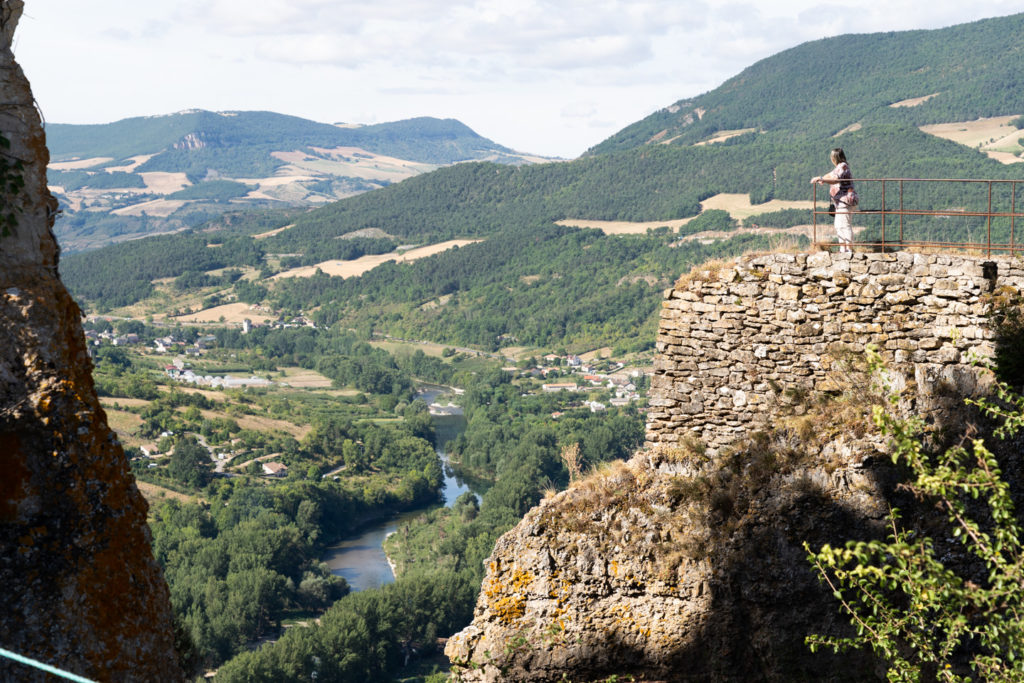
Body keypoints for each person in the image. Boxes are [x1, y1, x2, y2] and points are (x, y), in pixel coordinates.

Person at [811, 148, 858, 252]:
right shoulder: (840, 167)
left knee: (844, 225)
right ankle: (843, 248)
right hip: (841, 202)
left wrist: (822, 179)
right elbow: (830, 175)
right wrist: (822, 177)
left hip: (845, 201)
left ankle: (849, 249)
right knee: (839, 225)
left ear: (834, 158)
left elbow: (835, 179)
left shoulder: (842, 166)